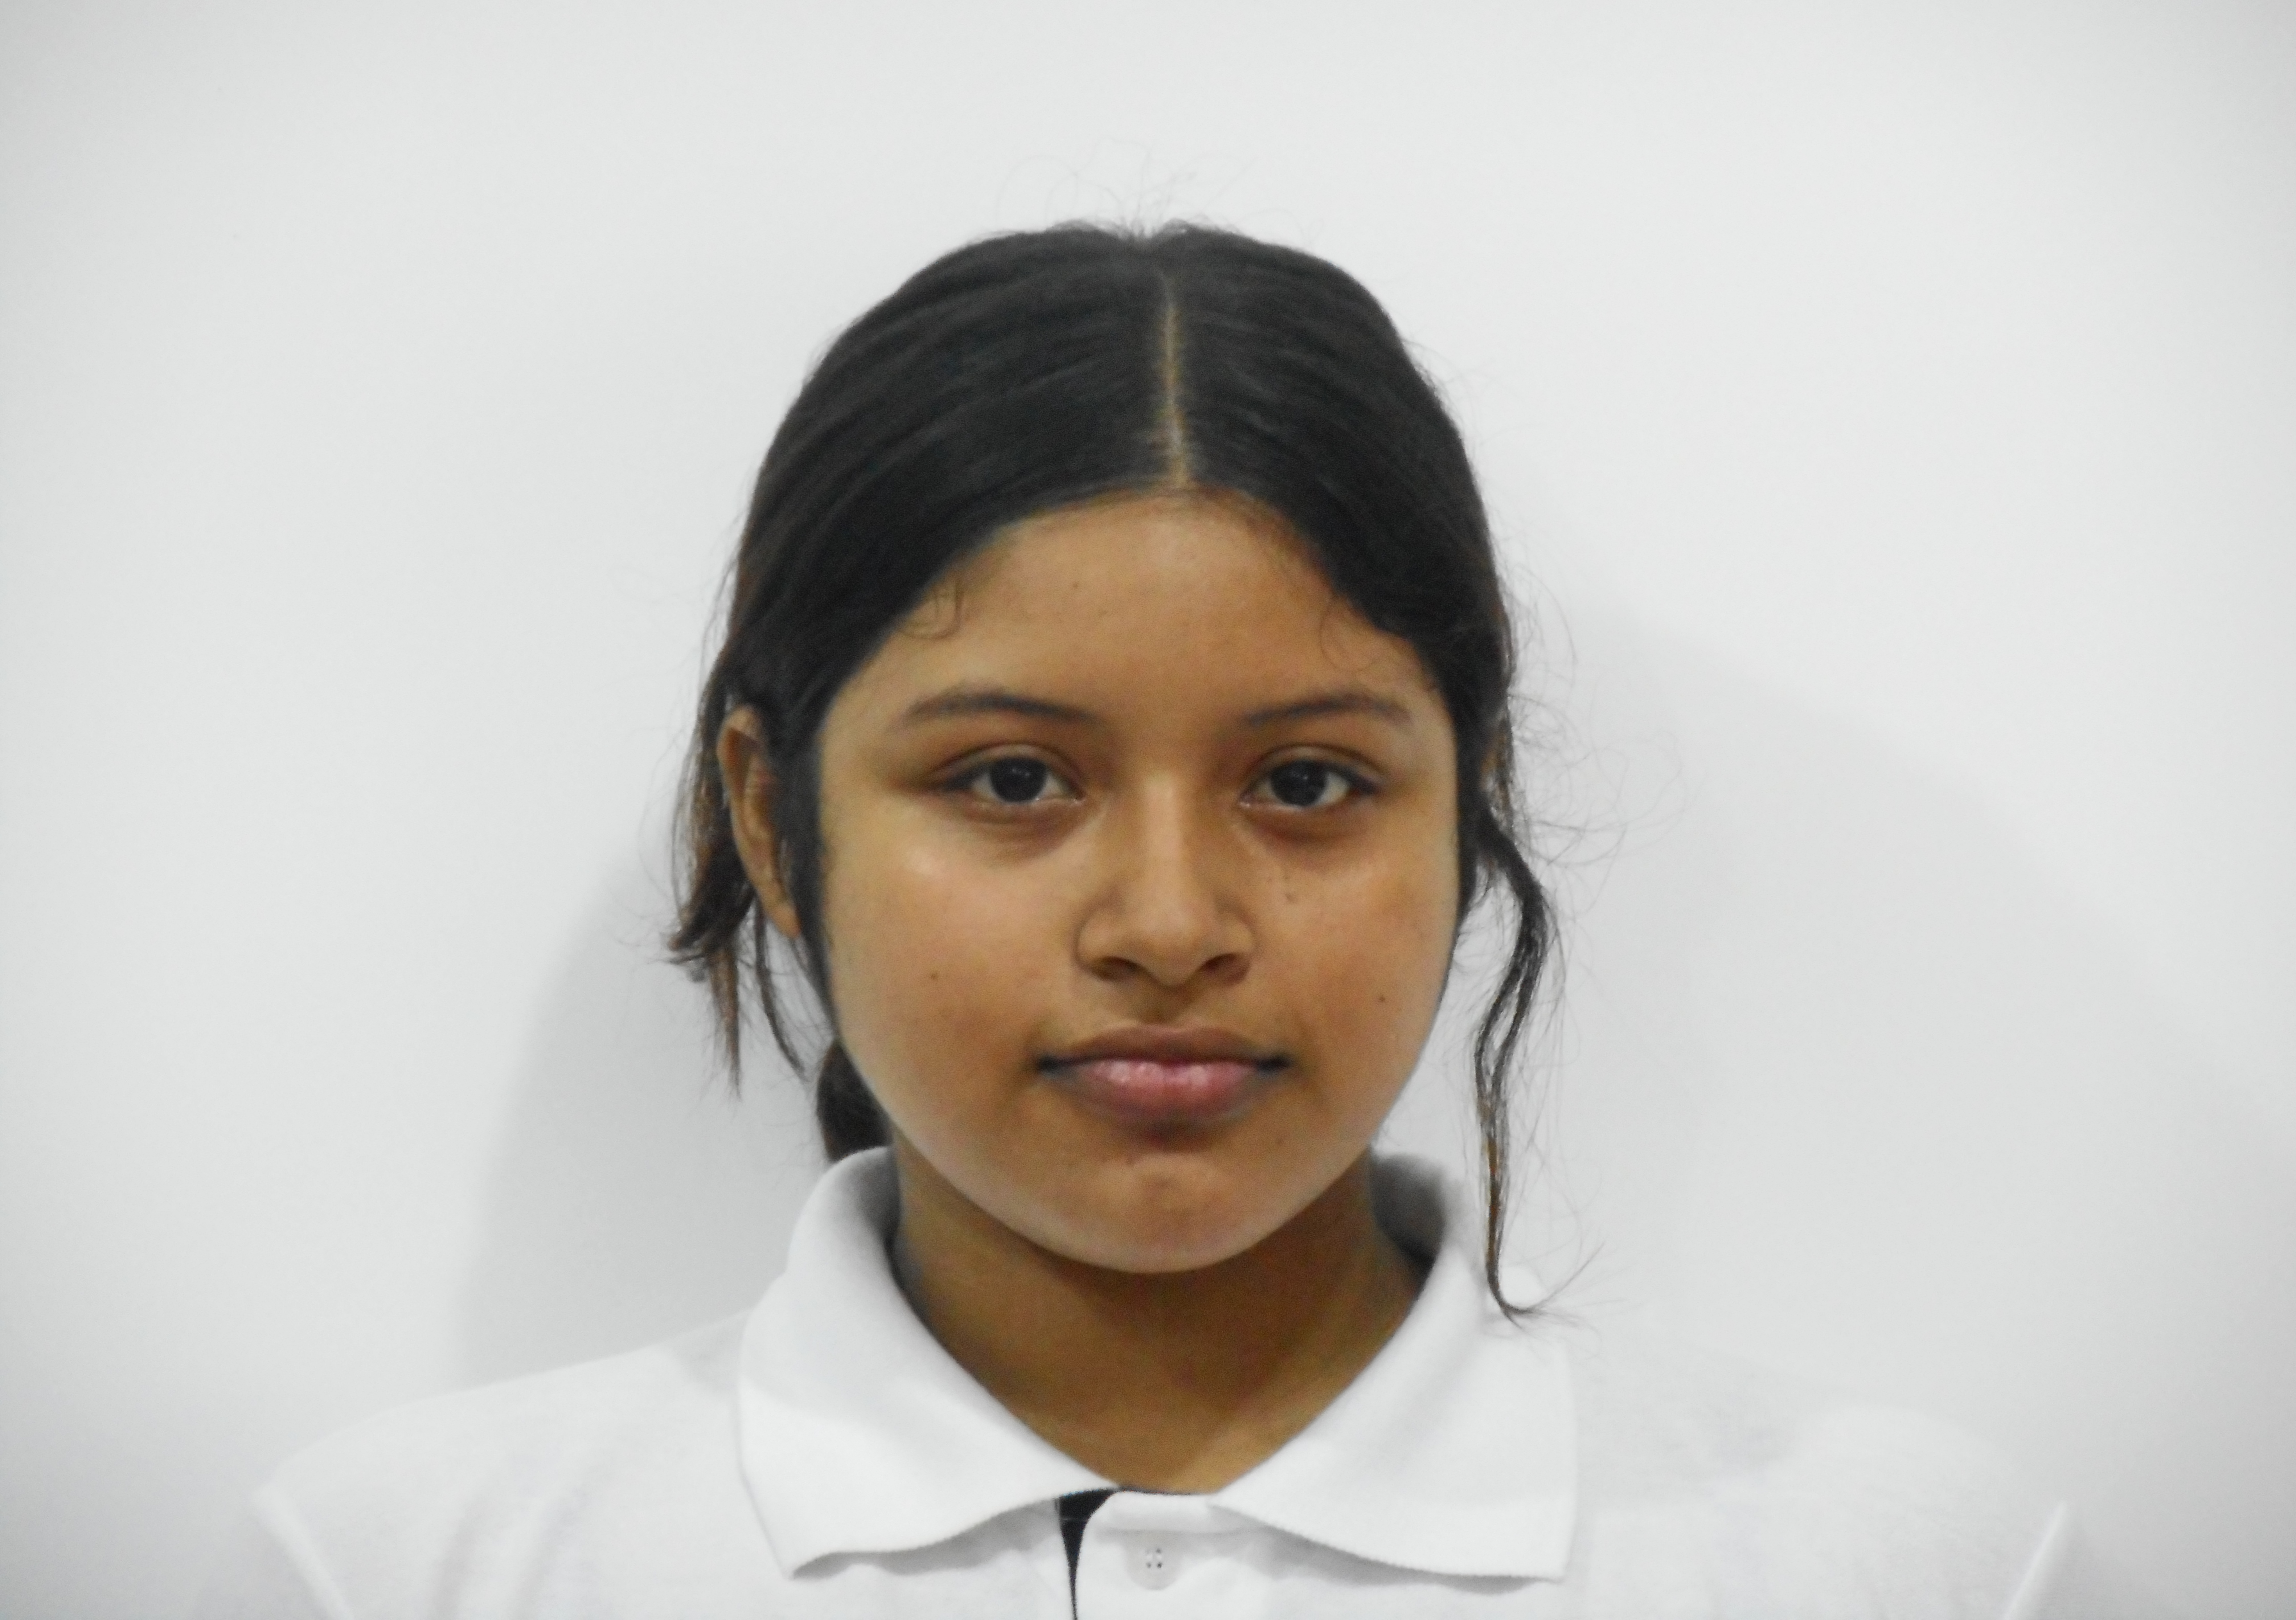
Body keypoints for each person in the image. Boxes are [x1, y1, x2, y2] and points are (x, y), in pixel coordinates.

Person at [194, 225, 2151, 1618]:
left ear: (1466, 812)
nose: (1167, 922)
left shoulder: (1917, 1571)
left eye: (1305, 783)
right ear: (773, 826)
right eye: (1010, 780)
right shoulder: (400, 1570)